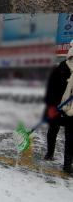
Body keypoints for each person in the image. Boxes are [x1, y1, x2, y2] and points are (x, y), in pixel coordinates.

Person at [43, 47, 73, 175]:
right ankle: (50, 153)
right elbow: (50, 90)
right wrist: (51, 106)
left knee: (71, 137)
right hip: (56, 107)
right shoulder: (58, 70)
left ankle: (67, 165)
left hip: (71, 110)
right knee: (52, 131)